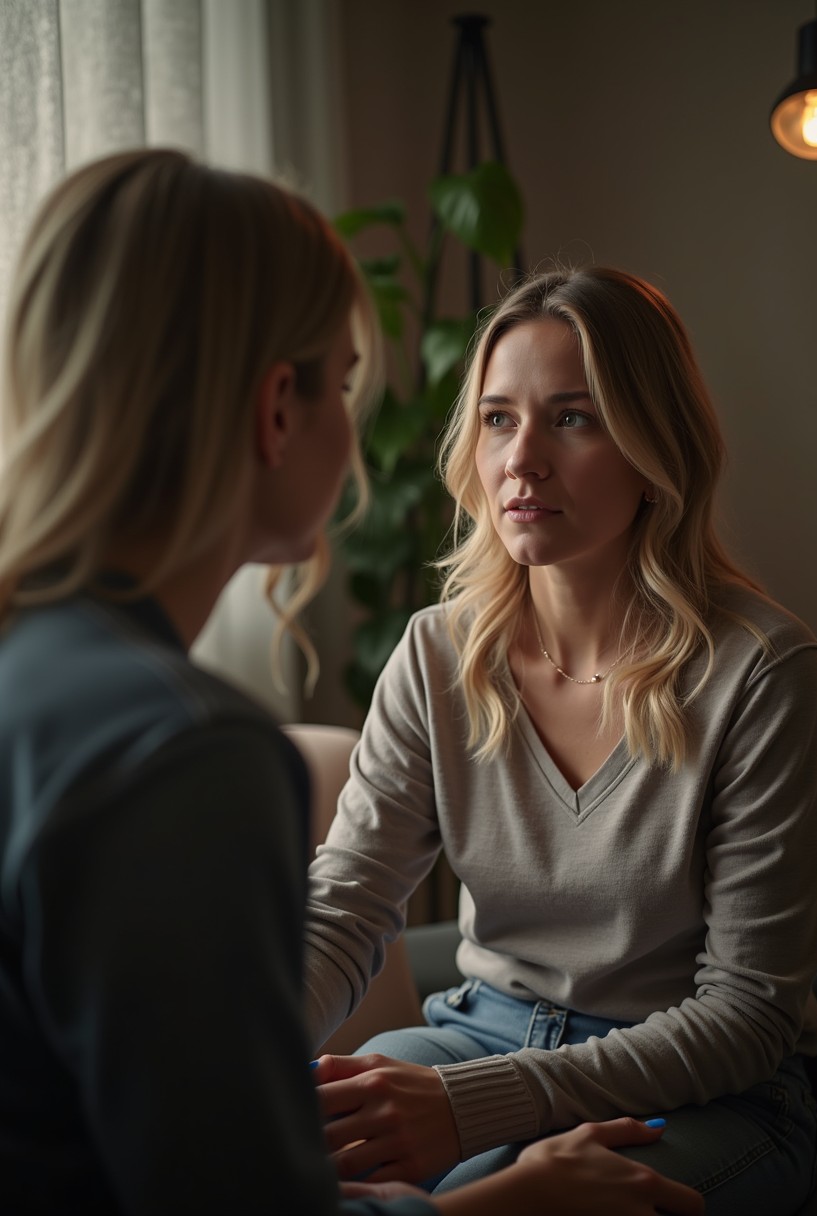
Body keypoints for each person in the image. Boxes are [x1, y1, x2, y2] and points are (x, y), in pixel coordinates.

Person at [0, 151, 704, 1216]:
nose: (513, 459)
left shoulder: (39, 677)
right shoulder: (185, 748)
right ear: (276, 409)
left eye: (572, 416)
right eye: (341, 380)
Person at [304, 265, 817, 1215]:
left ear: (654, 446)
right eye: (499, 418)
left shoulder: (763, 671)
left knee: (483, 1196)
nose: (523, 460)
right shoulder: (438, 652)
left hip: (704, 1090)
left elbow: (749, 1016)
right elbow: (345, 905)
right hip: (477, 1033)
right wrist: (226, 1063)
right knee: (294, 1160)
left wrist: (472, 1111)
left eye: (574, 418)